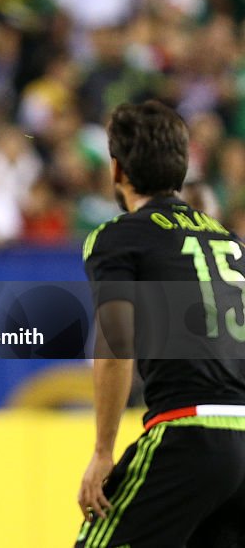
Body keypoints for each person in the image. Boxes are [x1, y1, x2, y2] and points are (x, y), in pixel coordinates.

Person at [76, 101, 245, 547]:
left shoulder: (118, 236)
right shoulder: (229, 242)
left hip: (188, 432)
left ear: (116, 170)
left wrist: (102, 452)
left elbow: (115, 347)